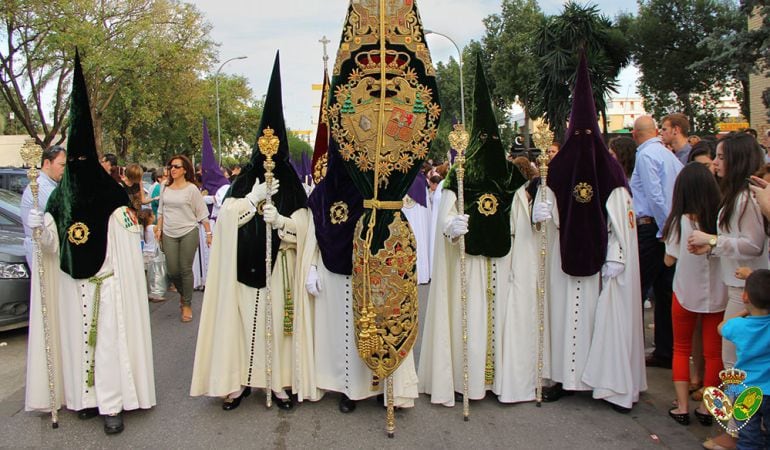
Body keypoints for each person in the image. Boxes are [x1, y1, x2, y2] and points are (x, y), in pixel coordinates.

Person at [25, 52, 155, 435]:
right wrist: (39, 228)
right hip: (70, 284)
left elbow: (124, 241)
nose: (76, 168)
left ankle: (112, 402)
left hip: (106, 284)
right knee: (78, 343)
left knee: (107, 347)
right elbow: (51, 245)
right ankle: (85, 398)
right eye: (72, 161)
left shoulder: (112, 196)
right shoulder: (56, 199)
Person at [190, 53, 314, 411]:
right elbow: (226, 217)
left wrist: (281, 223)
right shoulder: (244, 179)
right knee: (243, 326)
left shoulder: (291, 183)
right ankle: (240, 381)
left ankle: (277, 383)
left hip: (280, 268)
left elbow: (305, 226)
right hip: (243, 268)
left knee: (276, 327)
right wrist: (251, 201)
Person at [533, 53, 646, 411]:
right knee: (564, 319)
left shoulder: (610, 171)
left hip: (601, 264)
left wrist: (617, 254)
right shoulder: (558, 166)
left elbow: (621, 221)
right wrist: (541, 212)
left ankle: (607, 382)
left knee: (601, 322)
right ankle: (565, 378)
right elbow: (544, 214)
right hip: (563, 262)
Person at [419, 56, 532, 405]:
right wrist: (451, 227)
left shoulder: (511, 179)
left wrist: (537, 218)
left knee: (499, 322)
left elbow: (522, 224)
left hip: (502, 267)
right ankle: (466, 381)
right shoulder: (458, 177)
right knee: (468, 319)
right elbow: (444, 219)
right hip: (467, 266)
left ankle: (500, 380)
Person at [688, 133, 769, 450]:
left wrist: (711, 241)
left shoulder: (745, 198)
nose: (716, 163)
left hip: (745, 289)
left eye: (721, 157)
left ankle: (737, 432)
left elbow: (752, 245)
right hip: (738, 286)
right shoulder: (737, 195)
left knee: (735, 362)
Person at [662, 163, 726, 426]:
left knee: (681, 348)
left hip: (684, 293)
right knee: (715, 354)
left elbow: (668, 259)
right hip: (717, 295)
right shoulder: (720, 219)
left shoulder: (679, 221)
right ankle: (708, 408)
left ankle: (682, 406)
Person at [630, 115, 684, 369]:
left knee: (637, 289)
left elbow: (654, 195)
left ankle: (632, 349)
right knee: (663, 292)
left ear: (634, 134)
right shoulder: (668, 155)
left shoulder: (645, 155)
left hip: (653, 228)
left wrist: (664, 229)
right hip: (666, 227)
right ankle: (665, 349)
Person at [718, 269, 770, 450]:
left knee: (747, 437)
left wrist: (743, 312)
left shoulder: (738, 326)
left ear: (745, 297)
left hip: (745, 392)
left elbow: (721, 327)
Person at [155, 154, 211, 322]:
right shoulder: (164, 187)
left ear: (185, 170)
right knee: (172, 270)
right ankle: (183, 293)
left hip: (188, 231)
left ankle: (186, 304)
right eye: (171, 166)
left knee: (185, 269)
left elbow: (201, 212)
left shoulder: (191, 189)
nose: (172, 169)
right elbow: (161, 210)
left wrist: (209, 234)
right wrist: (159, 228)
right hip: (169, 232)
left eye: (177, 167)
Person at [20, 145, 66, 267]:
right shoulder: (41, 186)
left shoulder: (52, 185)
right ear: (47, 163)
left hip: (48, 245)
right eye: (62, 165)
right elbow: (64, 210)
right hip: (40, 248)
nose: (65, 170)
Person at [138, 209, 165, 302]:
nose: (154, 216)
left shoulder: (143, 228)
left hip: (145, 253)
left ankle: (146, 293)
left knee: (146, 276)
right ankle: (155, 294)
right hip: (154, 253)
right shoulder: (154, 227)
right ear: (150, 217)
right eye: (153, 214)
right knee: (155, 275)